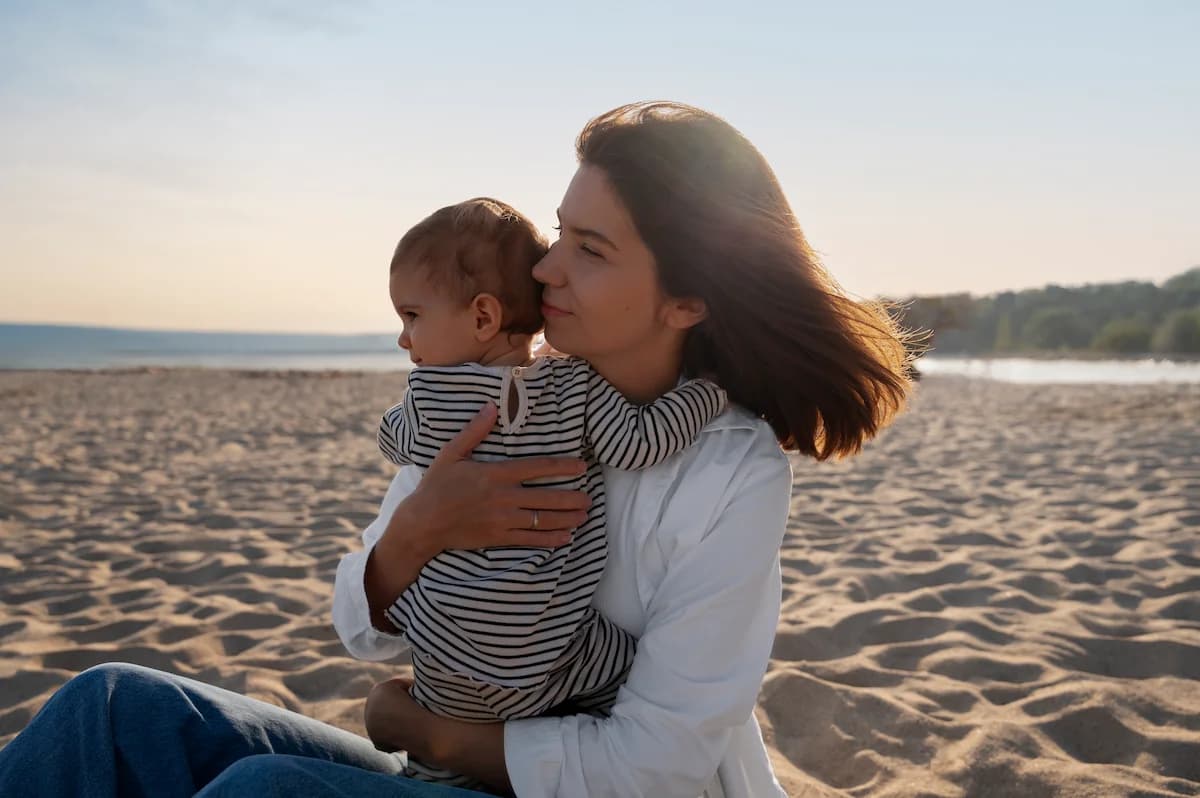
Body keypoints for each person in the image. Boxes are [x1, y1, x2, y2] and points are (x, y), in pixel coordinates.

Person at [0, 101, 912, 798]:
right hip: (463, 760)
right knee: (113, 706)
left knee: (262, 791)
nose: (547, 266)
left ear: (687, 301)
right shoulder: (508, 392)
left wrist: (425, 732)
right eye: (558, 231)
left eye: (590, 249)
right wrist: (420, 530)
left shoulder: (730, 471)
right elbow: (362, 629)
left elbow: (656, 765)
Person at [372, 196, 727, 788]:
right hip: (545, 662)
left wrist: (396, 426)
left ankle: (436, 767)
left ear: (483, 317)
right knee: (625, 665)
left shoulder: (431, 396)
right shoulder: (573, 384)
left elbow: (395, 438)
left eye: (411, 317)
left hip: (440, 666)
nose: (405, 339)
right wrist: (710, 391)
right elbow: (643, 441)